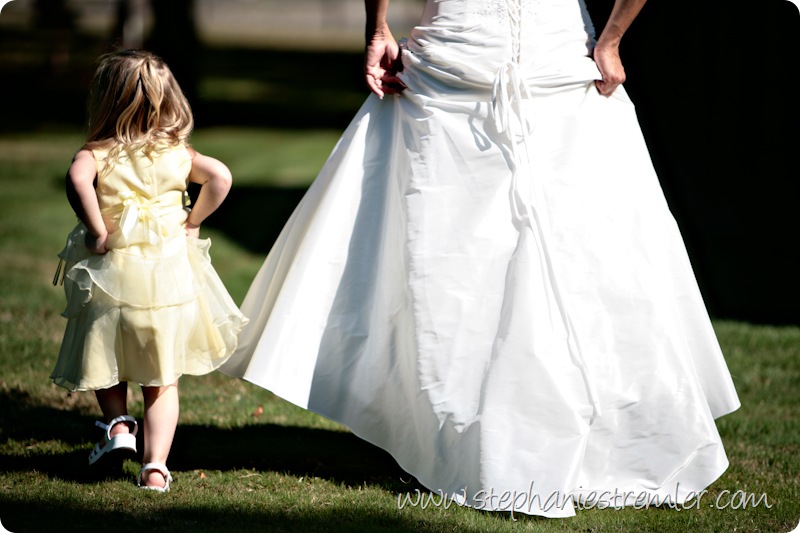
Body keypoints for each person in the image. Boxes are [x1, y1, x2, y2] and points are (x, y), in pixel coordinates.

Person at [221, 0, 740, 517]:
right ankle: (493, 433)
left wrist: (377, 26)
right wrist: (611, 39)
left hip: (502, 49)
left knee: (457, 247)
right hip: (530, 43)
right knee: (482, 247)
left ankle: (479, 433)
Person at [51, 49, 248, 492]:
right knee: (162, 380)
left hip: (113, 279)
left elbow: (77, 179)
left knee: (109, 359)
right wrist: (192, 223)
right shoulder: (177, 153)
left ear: (107, 99)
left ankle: (118, 427)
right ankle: (155, 467)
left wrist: (97, 230)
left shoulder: (98, 151)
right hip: (165, 285)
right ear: (168, 100)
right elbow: (220, 177)